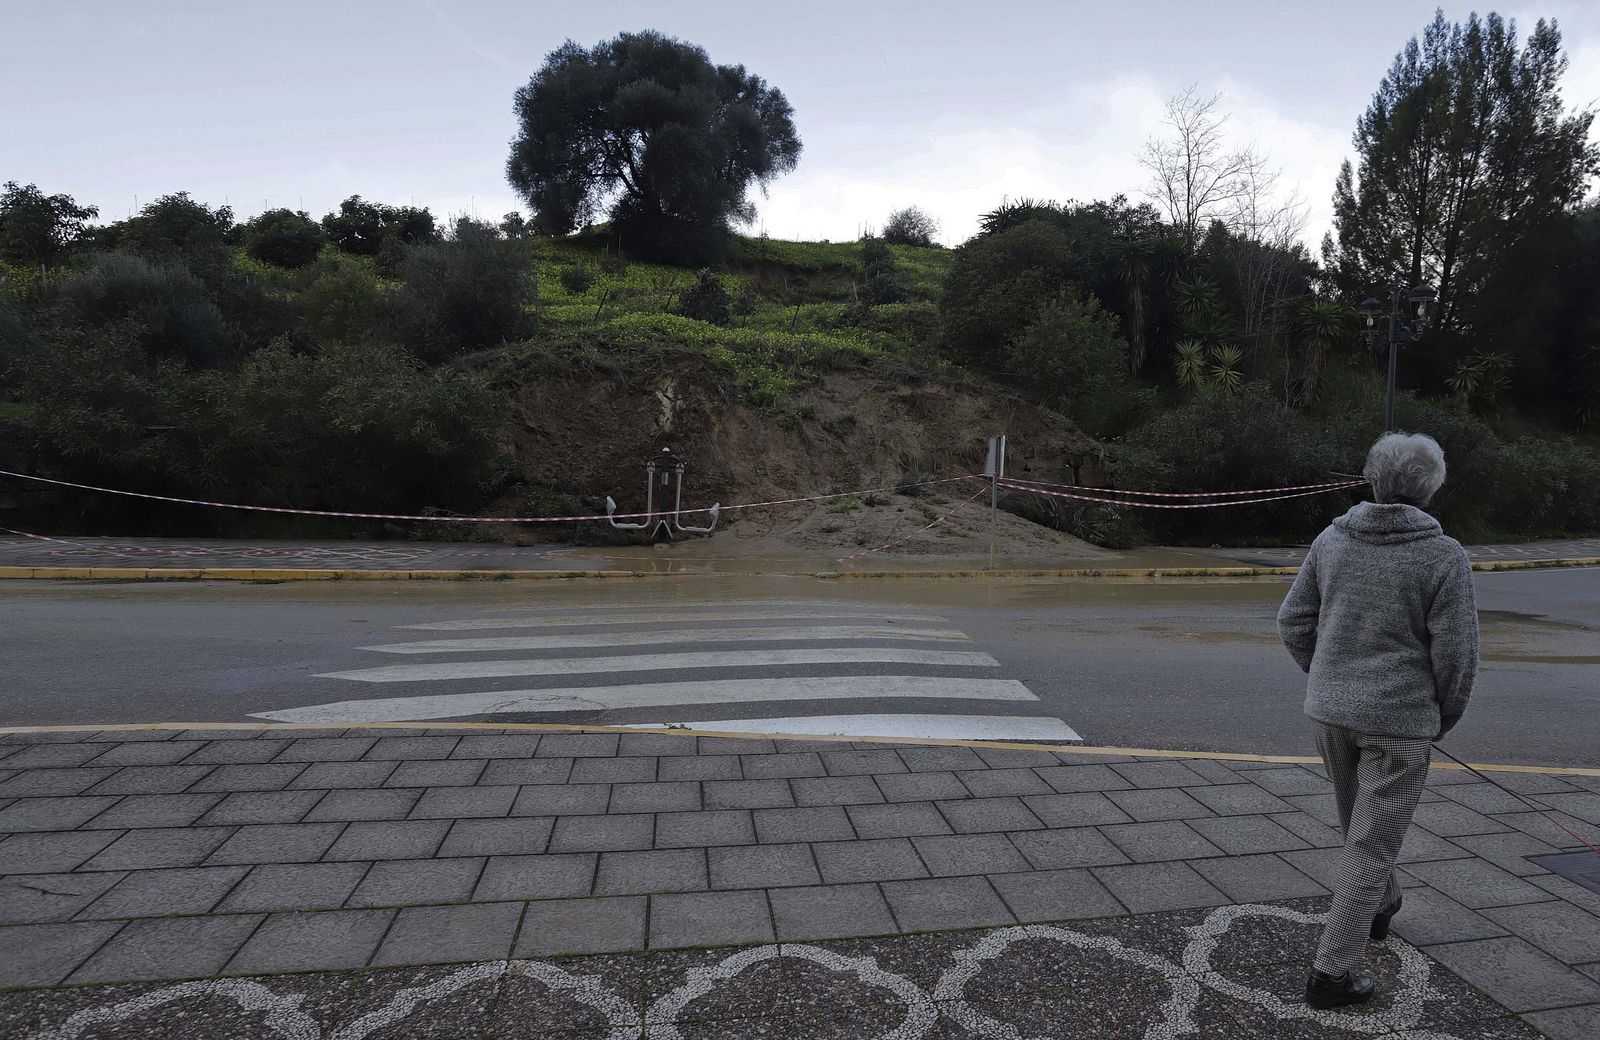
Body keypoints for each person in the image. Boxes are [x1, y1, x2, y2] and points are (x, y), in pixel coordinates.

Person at [1277, 432, 1479, 1011]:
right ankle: (1331, 974)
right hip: (1399, 723)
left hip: (1332, 713)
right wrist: (1441, 716)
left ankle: (1381, 904)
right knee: (1370, 841)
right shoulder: (1443, 557)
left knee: (1360, 830)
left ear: (1370, 479)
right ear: (1432, 488)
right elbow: (1457, 657)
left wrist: (1328, 677)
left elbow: (1293, 622)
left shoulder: (1332, 540)